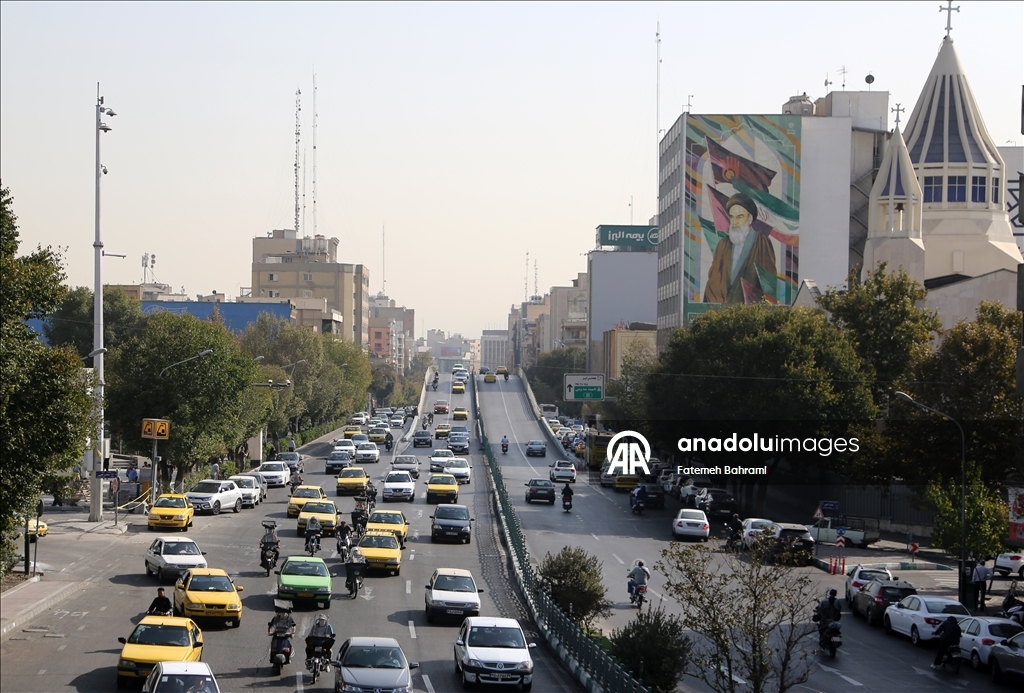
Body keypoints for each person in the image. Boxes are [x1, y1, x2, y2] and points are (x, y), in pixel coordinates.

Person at [703, 192, 778, 305]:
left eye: (740, 217)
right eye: (732, 217)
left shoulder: (762, 243)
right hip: (723, 312)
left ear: (750, 218)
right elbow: (713, 280)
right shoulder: (723, 244)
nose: (735, 222)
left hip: (750, 313)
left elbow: (769, 283)